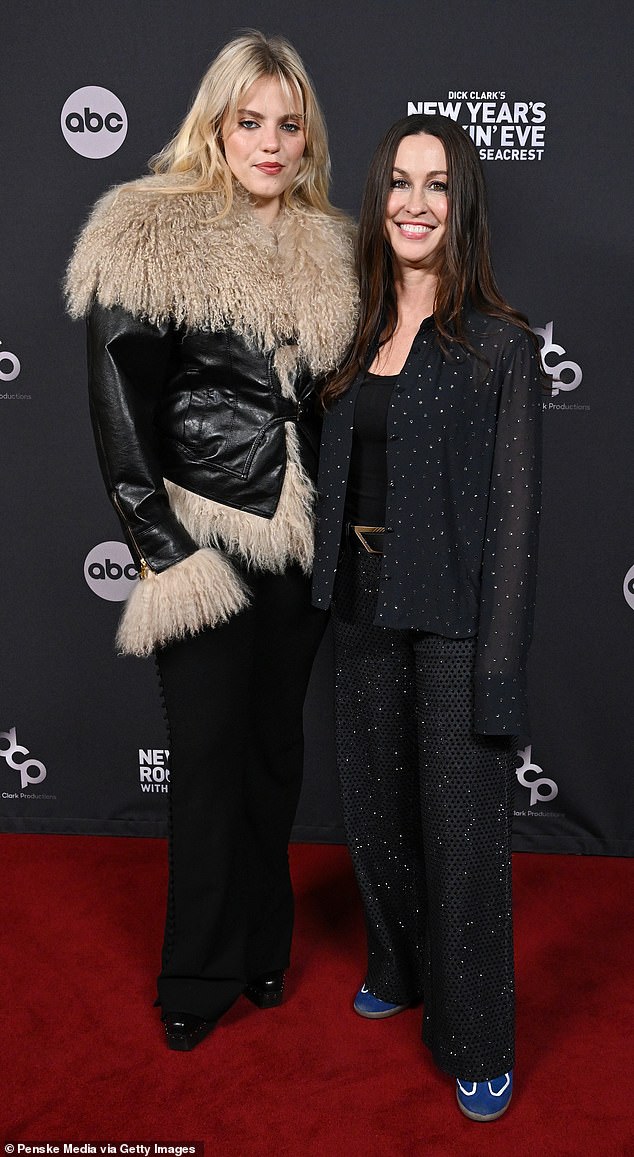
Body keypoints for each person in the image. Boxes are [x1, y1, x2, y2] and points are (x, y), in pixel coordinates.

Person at [65, 30, 357, 1051]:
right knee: (206, 760)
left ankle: (263, 943)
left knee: (275, 755)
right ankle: (197, 965)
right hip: (203, 535)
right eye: (251, 121)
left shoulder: (330, 242)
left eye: (289, 124)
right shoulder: (150, 228)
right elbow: (116, 400)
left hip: (300, 543)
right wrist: (160, 549)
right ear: (216, 122)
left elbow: (327, 408)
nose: (270, 143)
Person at [312, 113, 542, 1121]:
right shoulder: (347, 330)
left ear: (462, 205)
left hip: (452, 622)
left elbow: (516, 523)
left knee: (461, 840)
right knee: (377, 817)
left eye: (436, 184)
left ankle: (477, 1034)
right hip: (359, 610)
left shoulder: (499, 348)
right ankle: (399, 967)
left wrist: (495, 672)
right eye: (399, 182)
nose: (413, 202)